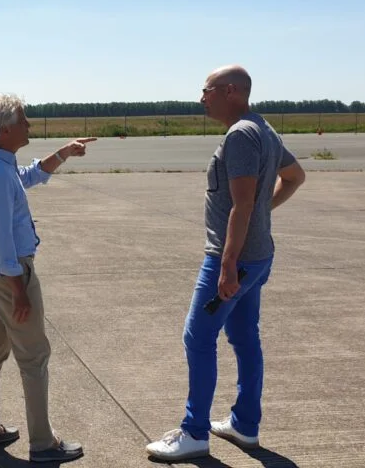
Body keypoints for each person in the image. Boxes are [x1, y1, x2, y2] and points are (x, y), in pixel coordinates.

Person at [146, 65, 306, 462]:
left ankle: (194, 432)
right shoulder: (263, 129)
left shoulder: (240, 135)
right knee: (244, 337)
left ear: (230, 91)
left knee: (197, 338)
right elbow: (295, 176)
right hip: (259, 257)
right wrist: (261, 216)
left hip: (234, 260)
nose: (202, 97)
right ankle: (245, 425)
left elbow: (242, 203)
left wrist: (229, 263)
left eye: (207, 90)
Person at [0, 93, 94, 464]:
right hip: (10, 272)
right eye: (23, 120)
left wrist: (63, 154)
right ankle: (43, 443)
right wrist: (19, 290)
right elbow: (5, 243)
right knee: (34, 356)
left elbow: (28, 176)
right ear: (5, 129)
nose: (29, 125)